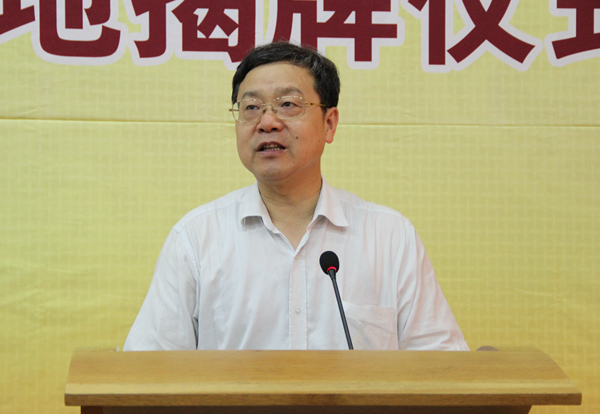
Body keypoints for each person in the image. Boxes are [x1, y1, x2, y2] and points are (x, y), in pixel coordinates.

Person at [123, 42, 468, 351]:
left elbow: (440, 367)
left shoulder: (389, 237)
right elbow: (149, 370)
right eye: (251, 107)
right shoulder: (197, 239)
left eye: (288, 104)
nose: (267, 122)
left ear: (329, 124)